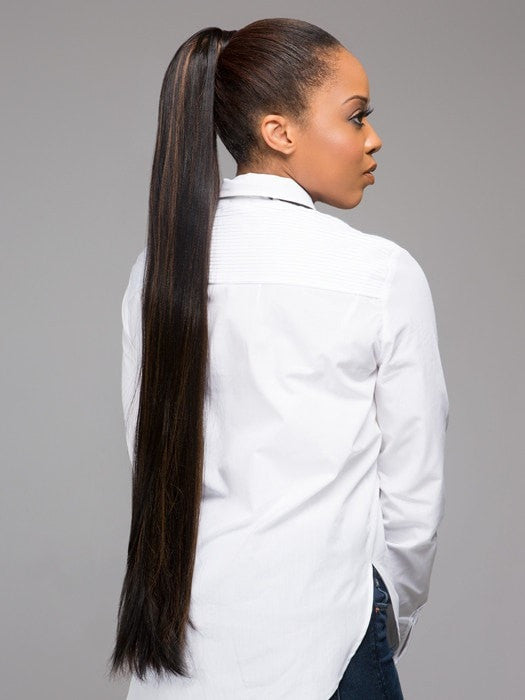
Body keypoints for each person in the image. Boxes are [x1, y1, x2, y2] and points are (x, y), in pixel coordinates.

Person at [108, 17, 449, 700]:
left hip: (183, 651)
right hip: (332, 643)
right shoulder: (378, 273)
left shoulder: (160, 270)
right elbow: (414, 495)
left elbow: (152, 458)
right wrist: (383, 612)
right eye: (356, 116)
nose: (373, 138)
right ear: (278, 131)